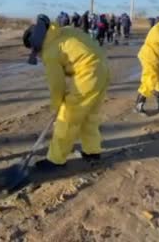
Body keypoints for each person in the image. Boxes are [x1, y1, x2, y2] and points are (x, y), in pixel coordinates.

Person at [22, 15, 110, 170]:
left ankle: (56, 160)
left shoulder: (49, 52)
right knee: (89, 115)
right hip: (103, 69)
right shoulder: (64, 31)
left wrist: (57, 106)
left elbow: (56, 85)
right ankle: (92, 151)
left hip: (88, 74)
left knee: (67, 117)